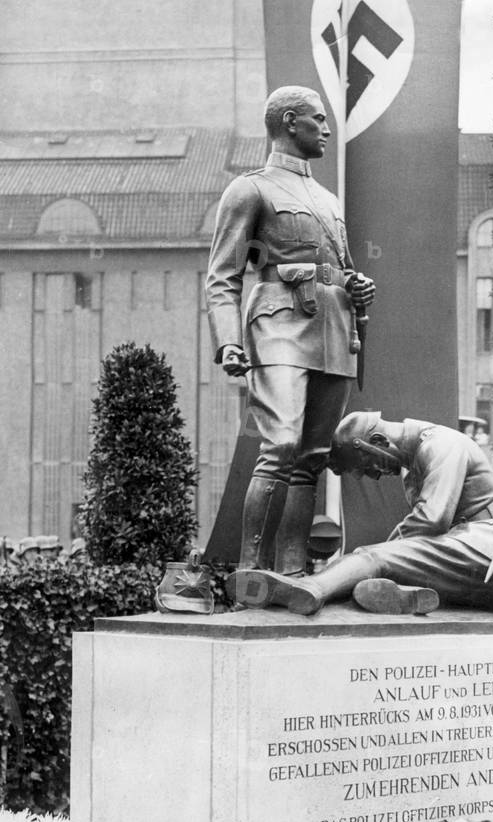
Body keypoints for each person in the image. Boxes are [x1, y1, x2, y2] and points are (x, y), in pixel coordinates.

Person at [205, 85, 375, 576]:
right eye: (317, 120)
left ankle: (294, 571)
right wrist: (229, 341)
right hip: (278, 325)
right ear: (288, 122)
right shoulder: (250, 189)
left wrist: (355, 285)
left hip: (334, 329)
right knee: (279, 444)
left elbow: (339, 266)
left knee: (312, 456)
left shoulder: (328, 200)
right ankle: (252, 574)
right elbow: (222, 276)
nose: (326, 129)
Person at [227, 412, 493, 615]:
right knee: (374, 572)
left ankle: (311, 589)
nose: (375, 476)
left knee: (375, 559)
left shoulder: (442, 444)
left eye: (367, 466)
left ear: (377, 441)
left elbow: (433, 520)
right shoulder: (415, 467)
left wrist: (377, 556)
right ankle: (408, 598)